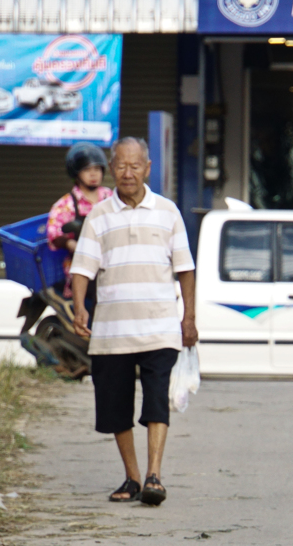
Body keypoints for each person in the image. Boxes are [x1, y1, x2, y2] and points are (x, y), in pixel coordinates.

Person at [69, 137, 198, 506]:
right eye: (121, 166)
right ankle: (132, 478)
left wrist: (189, 318)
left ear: (148, 168)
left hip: (159, 327)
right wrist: (80, 306)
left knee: (157, 400)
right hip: (112, 331)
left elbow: (185, 269)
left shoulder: (168, 212)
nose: (128, 173)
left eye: (135, 166)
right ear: (112, 168)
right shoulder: (98, 216)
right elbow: (82, 268)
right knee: (115, 405)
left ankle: (155, 475)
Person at [46, 142, 113, 298]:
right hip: (81, 267)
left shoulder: (111, 198)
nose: (93, 174)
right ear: (76, 173)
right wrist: (70, 244)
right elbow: (53, 235)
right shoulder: (65, 205)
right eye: (87, 170)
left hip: (110, 262)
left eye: (97, 169)